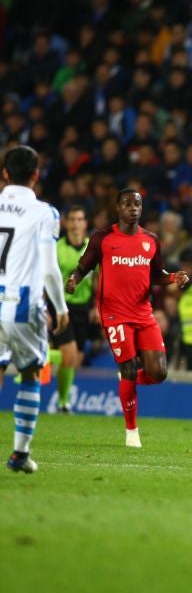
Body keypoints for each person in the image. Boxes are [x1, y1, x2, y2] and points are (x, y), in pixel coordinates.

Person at [67, 188, 190, 448]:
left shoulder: (151, 241)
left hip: (143, 313)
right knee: (130, 367)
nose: (133, 208)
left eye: (137, 204)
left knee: (159, 373)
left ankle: (127, 377)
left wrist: (173, 278)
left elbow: (157, 274)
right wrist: (74, 279)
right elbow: (84, 265)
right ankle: (131, 431)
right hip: (114, 314)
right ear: (117, 208)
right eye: (127, 203)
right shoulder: (103, 237)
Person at [1, 146, 69, 473]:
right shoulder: (45, 213)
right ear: (36, 175)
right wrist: (60, 306)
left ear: (4, 174)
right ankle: (19, 453)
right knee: (30, 372)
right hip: (21, 305)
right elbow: (49, 268)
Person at [51, 205, 95, 413]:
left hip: (83, 308)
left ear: (85, 223)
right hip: (61, 306)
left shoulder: (92, 248)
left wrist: (97, 306)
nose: (76, 224)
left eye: (80, 219)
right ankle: (63, 403)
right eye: (72, 219)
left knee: (75, 359)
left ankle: (62, 397)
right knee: (68, 355)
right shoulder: (56, 248)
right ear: (66, 223)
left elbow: (99, 280)